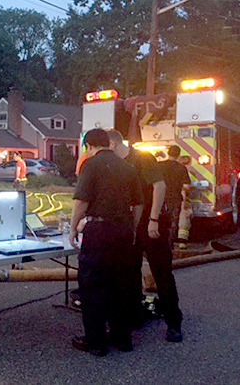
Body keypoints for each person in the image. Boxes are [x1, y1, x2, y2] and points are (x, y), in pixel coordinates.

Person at [69, 128, 144, 356]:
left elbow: (81, 202)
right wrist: (132, 228)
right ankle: (122, 338)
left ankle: (96, 342)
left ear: (89, 146)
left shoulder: (90, 165)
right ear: (108, 143)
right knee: (120, 285)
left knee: (92, 286)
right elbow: (138, 203)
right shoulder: (128, 167)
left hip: (99, 231)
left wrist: (73, 228)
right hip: (123, 231)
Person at [107, 130, 184, 343]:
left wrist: (153, 219)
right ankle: (135, 316)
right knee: (130, 271)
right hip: (131, 224)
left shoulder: (143, 159)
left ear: (112, 144)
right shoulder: (116, 164)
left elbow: (159, 186)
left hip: (150, 223)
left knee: (161, 273)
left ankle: (174, 323)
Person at [159, 145, 191, 248]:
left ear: (168, 153)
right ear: (178, 155)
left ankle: (161, 243)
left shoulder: (159, 165)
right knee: (173, 222)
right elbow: (186, 186)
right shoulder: (181, 167)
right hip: (175, 199)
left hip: (161, 198)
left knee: (161, 220)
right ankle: (170, 244)